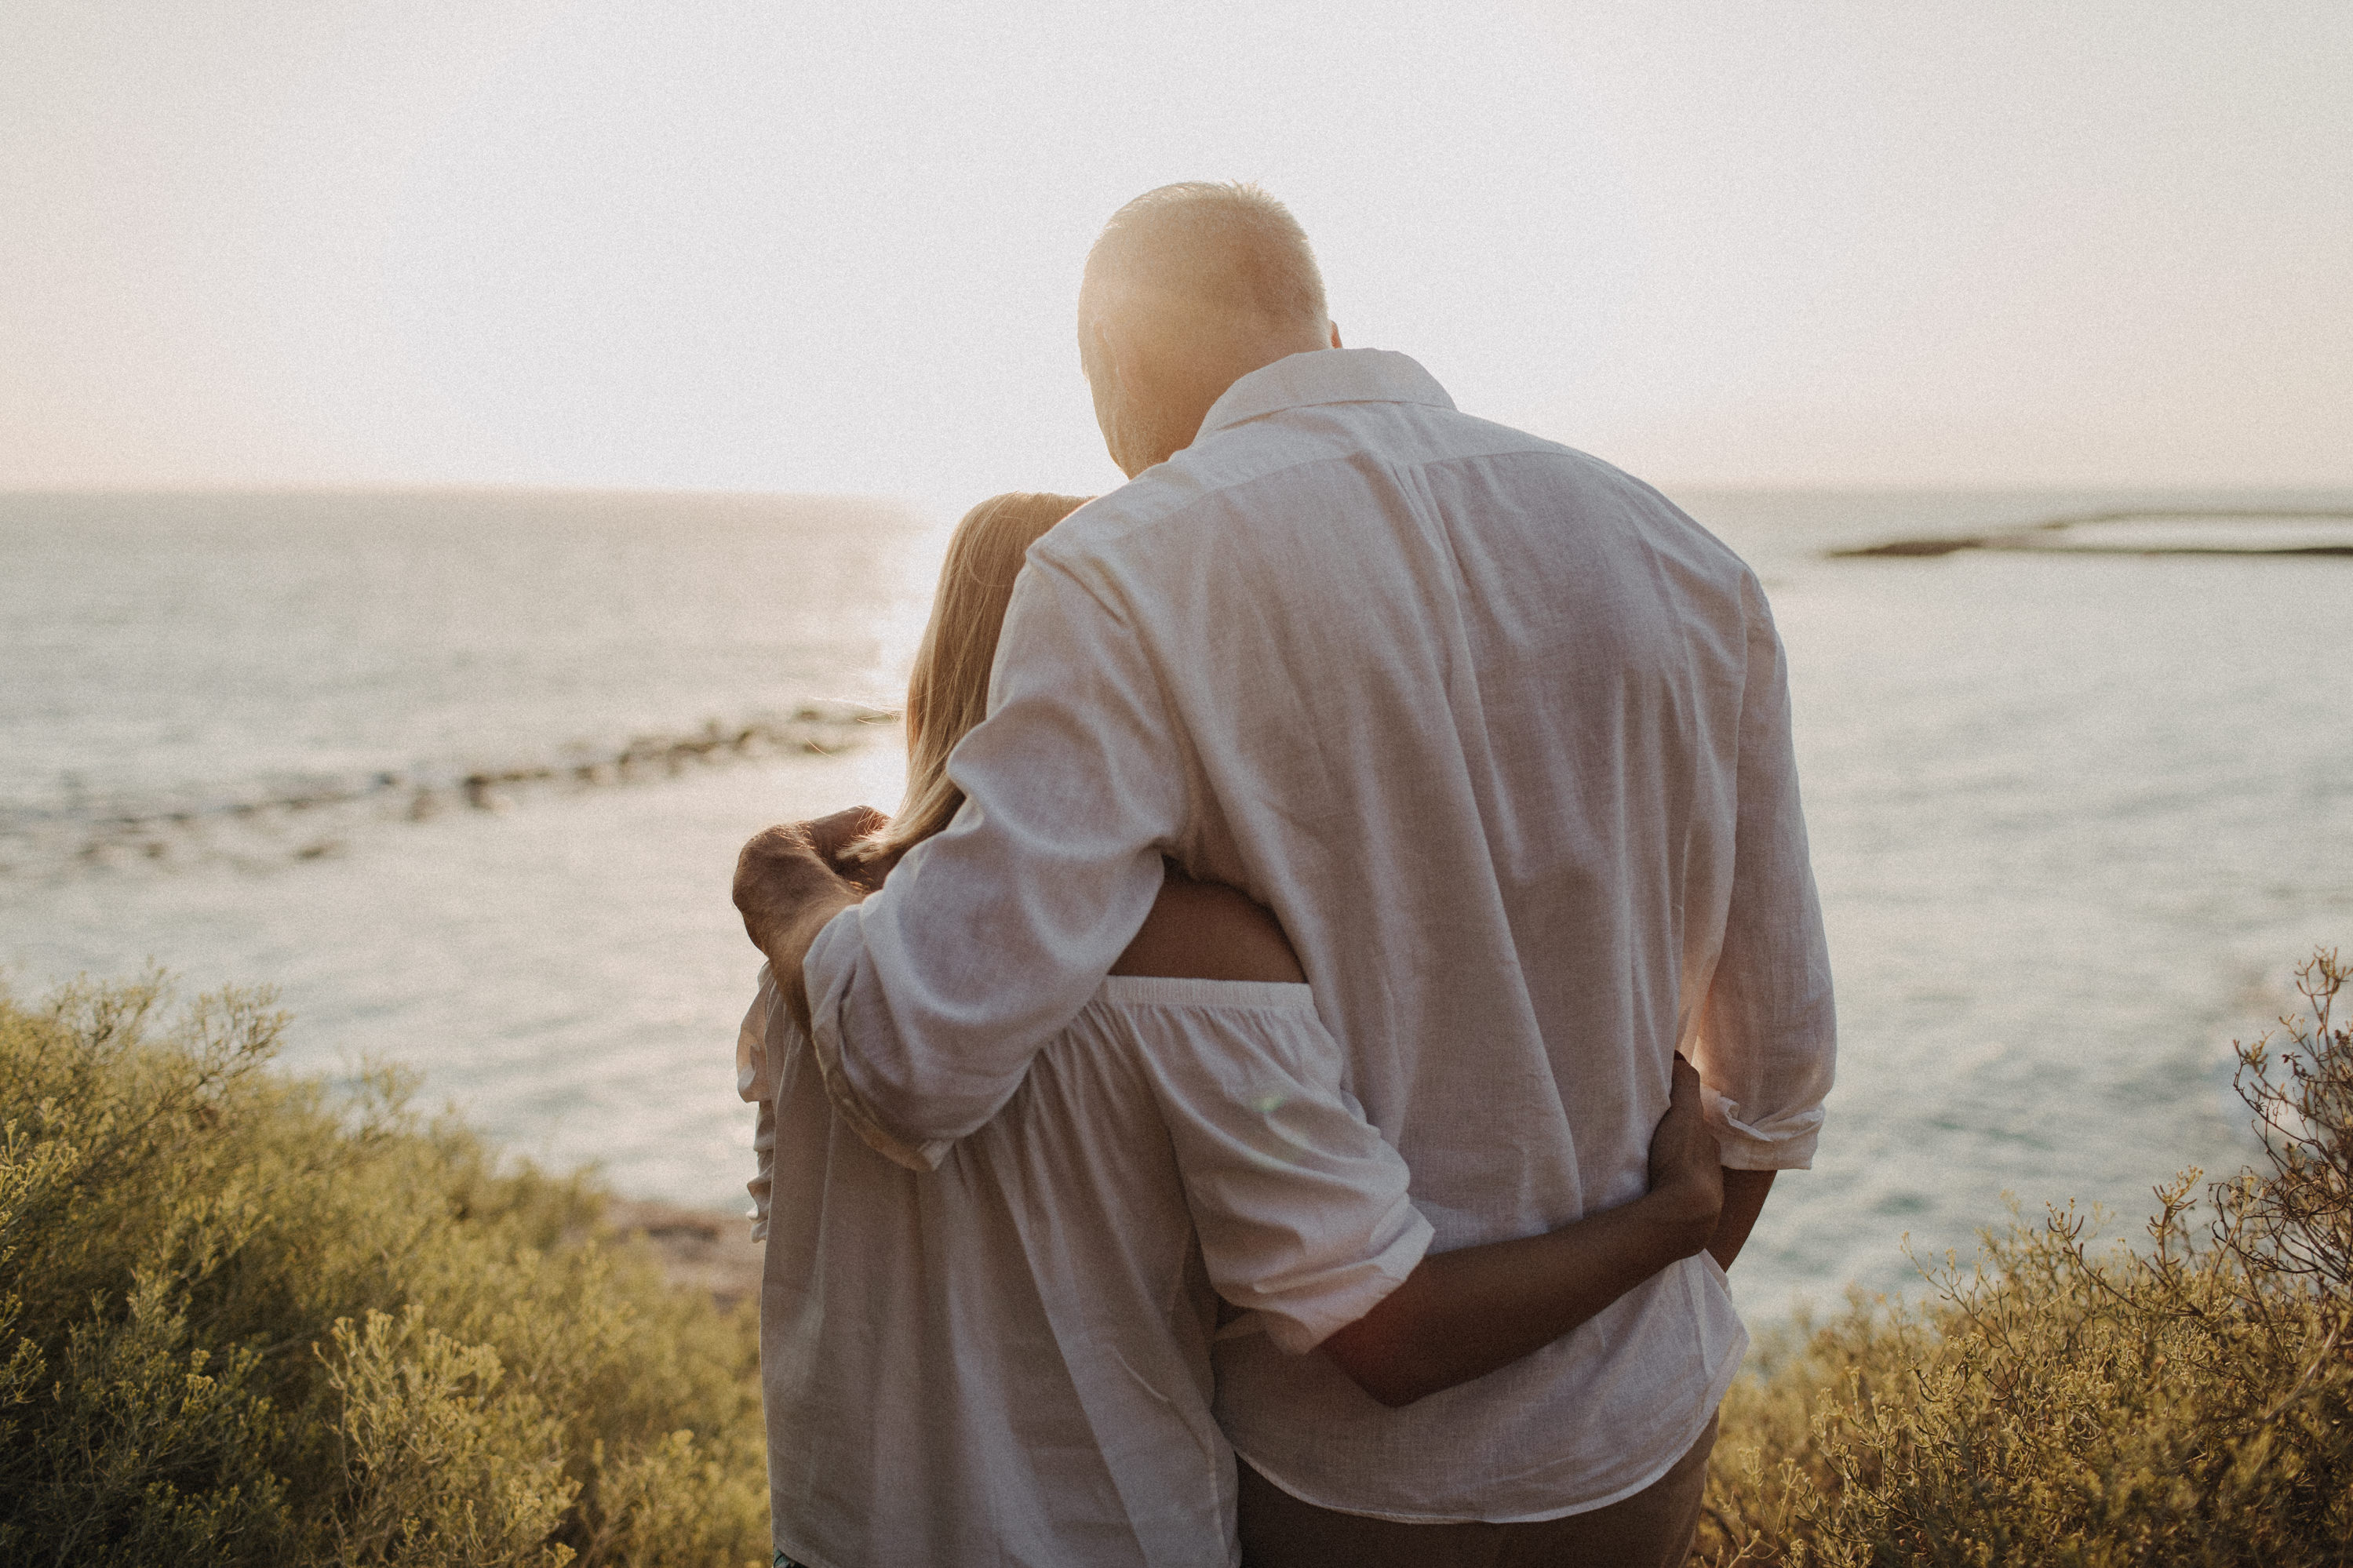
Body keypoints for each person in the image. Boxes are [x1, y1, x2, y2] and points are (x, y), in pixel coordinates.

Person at [737, 183, 1836, 1561]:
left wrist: (785, 892)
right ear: (1325, 327)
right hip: (1642, 1438)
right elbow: (1778, 1072)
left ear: (1112, 368)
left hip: (1340, 1476)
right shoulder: (1685, 559)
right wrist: (1627, 1315)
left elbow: (915, 1054)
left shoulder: (1128, 571)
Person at [740, 490, 1733, 1567]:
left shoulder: (822, 944)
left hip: (833, 1539)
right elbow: (1395, 1334)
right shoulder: (1205, 965)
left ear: (934, 672)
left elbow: (784, 1223)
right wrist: (1670, 1218)